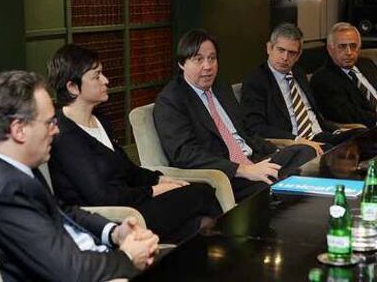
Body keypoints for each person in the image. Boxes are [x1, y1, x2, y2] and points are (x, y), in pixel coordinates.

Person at [0, 71, 159, 282]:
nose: (56, 131)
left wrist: (114, 232)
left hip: (95, 258)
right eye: (49, 123)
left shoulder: (15, 169)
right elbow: (69, 271)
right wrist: (128, 257)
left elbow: (62, 211)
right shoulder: (3, 191)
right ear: (19, 130)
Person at [47, 44, 222, 244]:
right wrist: (153, 190)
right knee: (201, 193)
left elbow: (128, 169)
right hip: (114, 219)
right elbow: (101, 196)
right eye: (97, 76)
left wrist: (159, 179)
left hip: (134, 203)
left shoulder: (100, 119)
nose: (106, 80)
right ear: (72, 87)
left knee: (200, 224)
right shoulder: (65, 134)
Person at [153, 29, 316, 202]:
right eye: (198, 59)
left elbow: (246, 131)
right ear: (182, 63)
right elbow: (185, 154)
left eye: (212, 58)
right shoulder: (172, 100)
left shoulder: (220, 86)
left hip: (254, 160)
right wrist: (243, 169)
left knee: (306, 152)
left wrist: (273, 151)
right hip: (224, 175)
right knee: (276, 184)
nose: (207, 66)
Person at [241, 23, 362, 155]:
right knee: (336, 152)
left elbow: (315, 116)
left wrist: (337, 131)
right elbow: (255, 127)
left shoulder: (298, 73)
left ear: (298, 55)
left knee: (362, 135)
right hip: (292, 142)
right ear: (269, 48)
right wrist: (297, 140)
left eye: (291, 53)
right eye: (281, 50)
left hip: (320, 135)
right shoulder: (256, 81)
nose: (285, 58)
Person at [310, 22, 377, 128]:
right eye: (342, 46)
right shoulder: (323, 79)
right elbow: (348, 115)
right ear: (330, 49)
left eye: (353, 46)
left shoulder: (367, 64)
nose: (349, 52)